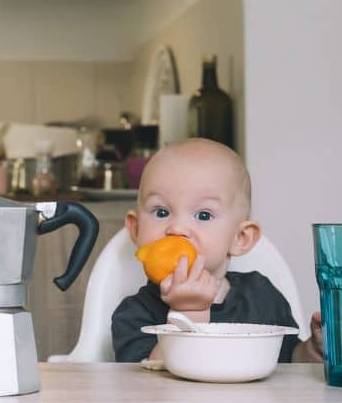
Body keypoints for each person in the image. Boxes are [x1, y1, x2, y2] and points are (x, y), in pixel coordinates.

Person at [111, 139, 325, 363]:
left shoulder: (261, 296)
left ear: (240, 238)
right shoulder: (134, 313)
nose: (177, 228)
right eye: (161, 212)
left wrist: (314, 350)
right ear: (135, 229)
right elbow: (145, 385)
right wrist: (187, 315)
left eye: (204, 215)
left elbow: (288, 364)